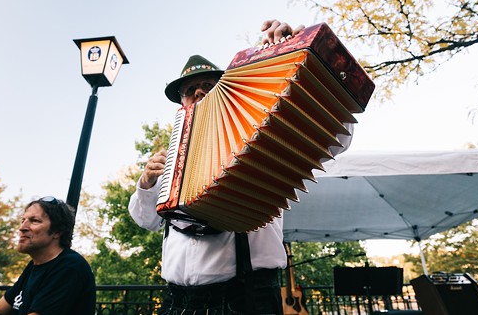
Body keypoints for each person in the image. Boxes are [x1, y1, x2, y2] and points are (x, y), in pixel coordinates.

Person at [129, 20, 352, 314]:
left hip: (246, 299)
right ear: (181, 103)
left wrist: (304, 55)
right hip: (177, 301)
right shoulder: (173, 160)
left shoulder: (257, 127)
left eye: (208, 86)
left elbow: (334, 136)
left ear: (227, 91)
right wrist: (145, 185)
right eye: (189, 90)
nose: (197, 93)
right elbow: (147, 221)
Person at [0, 196, 96, 315]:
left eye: (34, 221)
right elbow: (0, 309)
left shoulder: (69, 267)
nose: (22, 227)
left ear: (57, 232)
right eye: (23, 220)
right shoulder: (35, 264)